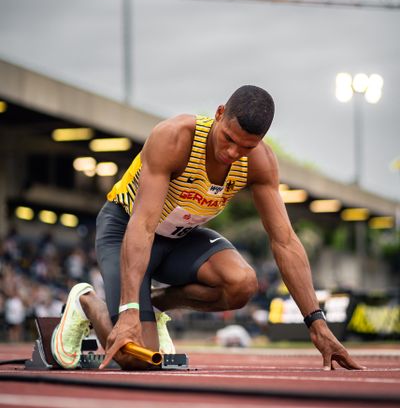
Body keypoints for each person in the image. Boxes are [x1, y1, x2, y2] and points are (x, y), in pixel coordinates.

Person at [51, 85, 363, 371]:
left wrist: (316, 322)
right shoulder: (174, 138)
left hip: (179, 238)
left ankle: (154, 304)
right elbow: (143, 224)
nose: (232, 153)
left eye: (245, 147)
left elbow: (284, 241)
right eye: (228, 138)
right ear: (218, 114)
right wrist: (130, 309)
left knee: (242, 284)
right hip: (127, 227)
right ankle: (89, 302)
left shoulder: (260, 162)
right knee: (137, 358)